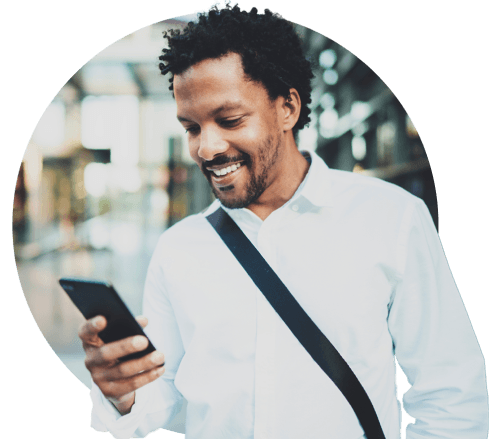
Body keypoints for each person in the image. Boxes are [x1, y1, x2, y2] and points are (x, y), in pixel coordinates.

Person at [79, 3, 488, 438]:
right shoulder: (179, 249)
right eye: (192, 127)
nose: (206, 148)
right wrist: (123, 393)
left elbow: (449, 392)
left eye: (229, 119)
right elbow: (165, 394)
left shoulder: (391, 219)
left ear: (287, 107)